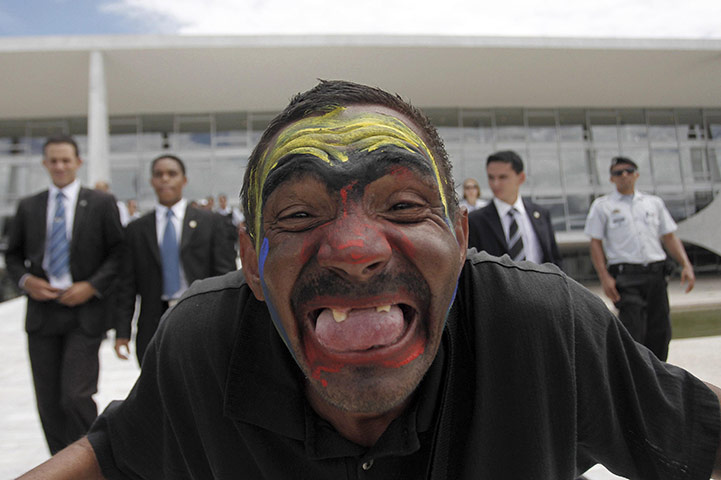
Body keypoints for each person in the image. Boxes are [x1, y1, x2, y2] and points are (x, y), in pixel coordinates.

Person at [18, 81, 721, 480]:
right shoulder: (204, 342)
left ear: (462, 236)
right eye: (297, 212)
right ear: (251, 261)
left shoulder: (540, 325)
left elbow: (697, 435)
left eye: (406, 206)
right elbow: (108, 459)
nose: (354, 250)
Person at [5, 135, 124, 455]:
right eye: (53, 161)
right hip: (42, 314)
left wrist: (91, 285)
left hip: (84, 313)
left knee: (75, 395)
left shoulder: (101, 203)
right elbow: (12, 255)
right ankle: (61, 465)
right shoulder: (30, 206)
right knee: (48, 403)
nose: (59, 166)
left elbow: (117, 253)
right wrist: (26, 280)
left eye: (65, 160)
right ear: (45, 164)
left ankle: (96, 459)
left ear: (78, 162)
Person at [112, 155, 237, 365]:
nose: (165, 179)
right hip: (153, 323)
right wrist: (122, 331)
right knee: (157, 390)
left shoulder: (211, 223)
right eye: (159, 175)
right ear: (152, 181)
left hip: (201, 318)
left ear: (184, 180)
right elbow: (126, 284)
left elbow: (226, 277)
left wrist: (230, 323)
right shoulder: (136, 230)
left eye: (172, 174)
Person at [584, 156, 696, 361]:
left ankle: (660, 376)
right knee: (633, 329)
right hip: (627, 277)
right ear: (611, 179)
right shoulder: (603, 206)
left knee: (660, 330)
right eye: (618, 173)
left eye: (628, 171)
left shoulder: (653, 203)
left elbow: (669, 236)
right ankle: (635, 380)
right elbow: (595, 243)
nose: (624, 175)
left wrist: (686, 264)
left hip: (656, 274)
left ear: (636, 174)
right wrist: (604, 277)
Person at [467, 150, 562, 267]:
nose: (495, 184)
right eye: (491, 177)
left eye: (503, 177)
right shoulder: (475, 221)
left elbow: (554, 259)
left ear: (521, 178)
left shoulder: (541, 215)